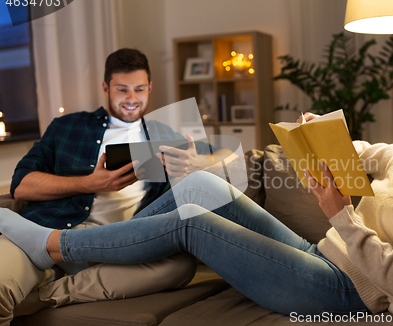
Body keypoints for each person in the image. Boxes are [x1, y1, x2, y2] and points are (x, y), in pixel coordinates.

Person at [0, 58, 393, 316]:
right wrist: (315, 129)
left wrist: (340, 213)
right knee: (198, 188)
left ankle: (53, 246)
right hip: (324, 254)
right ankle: (85, 253)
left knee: (193, 225)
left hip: (346, 292)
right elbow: (362, 149)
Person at [0, 48, 231, 325]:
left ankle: (43, 297)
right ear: (106, 88)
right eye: (122, 90)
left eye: (139, 89)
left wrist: (196, 161)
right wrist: (90, 183)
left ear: (150, 88)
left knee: (181, 265)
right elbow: (21, 185)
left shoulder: (164, 134)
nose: (132, 98)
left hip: (116, 245)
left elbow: (225, 153)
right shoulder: (67, 127)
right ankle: (50, 267)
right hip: (47, 231)